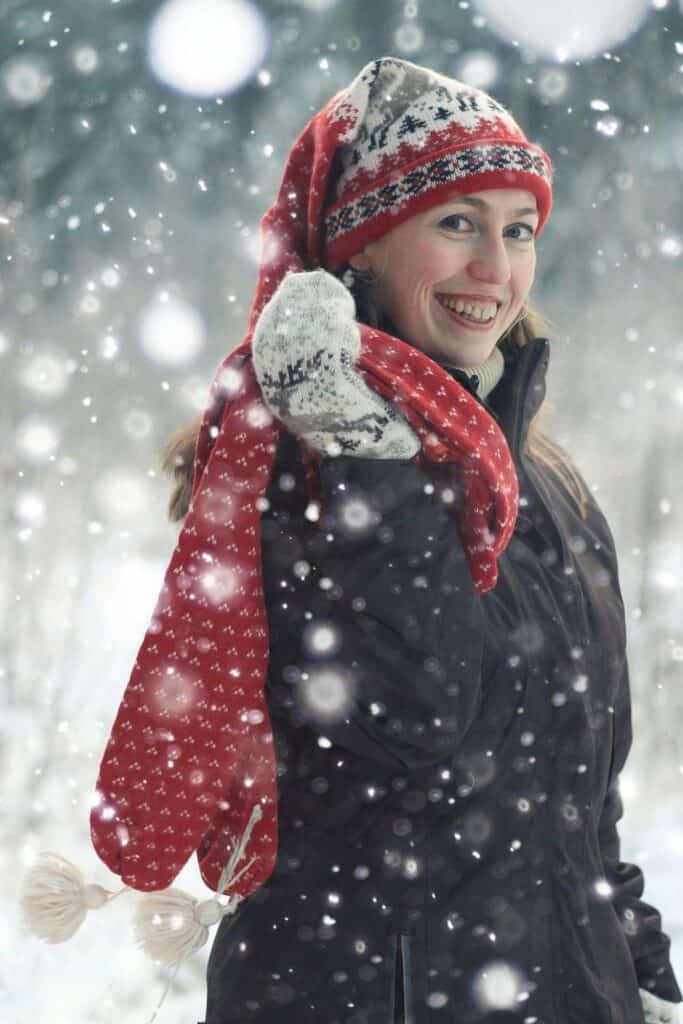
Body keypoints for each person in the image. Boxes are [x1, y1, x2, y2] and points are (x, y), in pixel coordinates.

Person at [100, 58, 681, 1023]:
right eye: (456, 223)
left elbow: (581, 813)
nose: (494, 269)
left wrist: (643, 979)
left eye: (518, 230)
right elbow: (411, 716)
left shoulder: (542, 484)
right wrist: (367, 449)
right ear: (360, 249)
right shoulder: (296, 471)